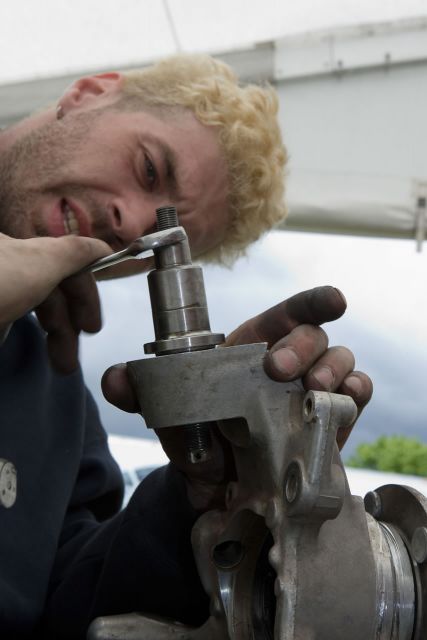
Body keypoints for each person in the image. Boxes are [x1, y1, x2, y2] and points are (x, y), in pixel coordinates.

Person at [0, 54, 372, 638]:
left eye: (157, 239)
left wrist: (213, 496)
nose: (129, 224)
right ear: (90, 92)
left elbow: (68, 606)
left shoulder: (61, 406)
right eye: (149, 167)